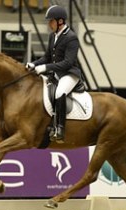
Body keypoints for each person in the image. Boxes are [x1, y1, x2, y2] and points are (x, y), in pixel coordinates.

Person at [26, 5, 83, 143]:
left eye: (51, 21)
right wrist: (34, 64)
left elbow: (68, 63)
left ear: (60, 21)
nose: (49, 24)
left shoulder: (71, 38)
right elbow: (47, 57)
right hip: (57, 74)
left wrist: (45, 67)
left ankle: (60, 128)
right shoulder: (53, 36)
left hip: (70, 74)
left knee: (59, 92)